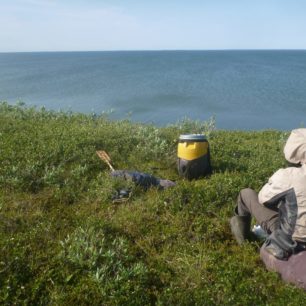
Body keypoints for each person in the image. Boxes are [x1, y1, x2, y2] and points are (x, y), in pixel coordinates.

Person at [230, 129, 306, 260]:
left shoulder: (288, 176)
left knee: (246, 194)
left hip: (291, 241)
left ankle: (244, 245)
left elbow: (264, 198)